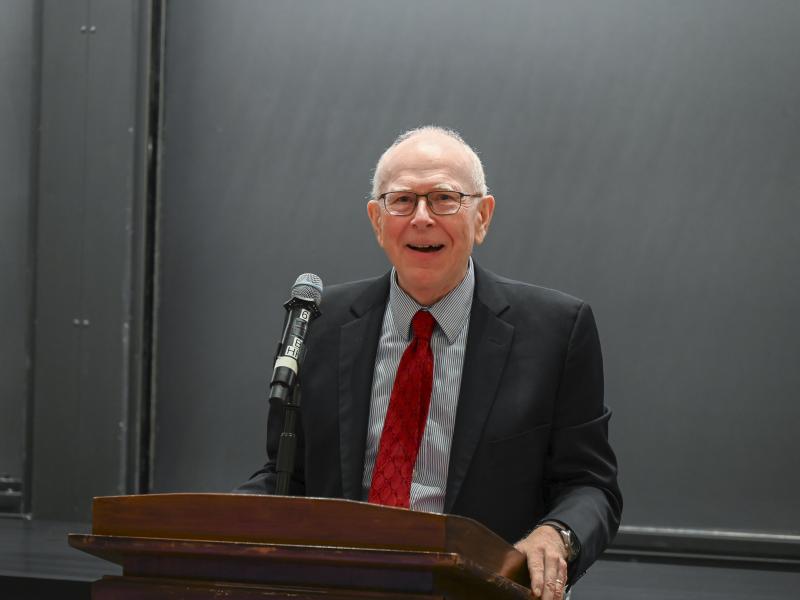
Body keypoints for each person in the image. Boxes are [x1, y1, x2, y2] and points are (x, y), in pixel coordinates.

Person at [237, 126, 622, 599]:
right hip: (340, 586)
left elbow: (590, 485)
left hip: (477, 589)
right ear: (377, 220)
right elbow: (285, 476)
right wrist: (212, 524)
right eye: (401, 200)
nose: (421, 218)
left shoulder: (557, 331)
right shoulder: (319, 321)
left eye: (444, 199)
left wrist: (557, 535)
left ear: (482, 217)